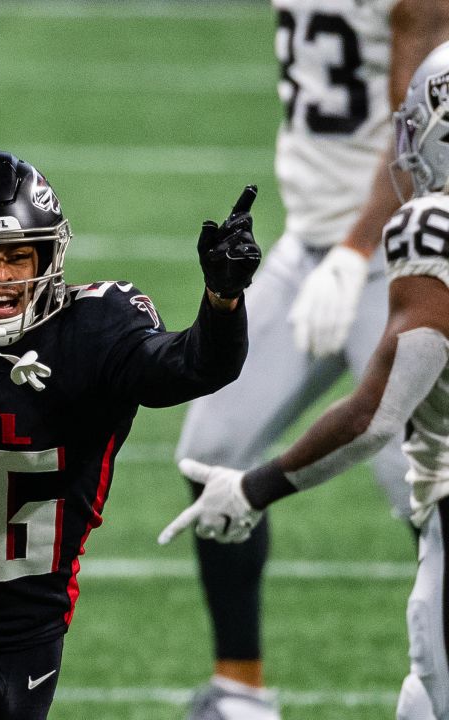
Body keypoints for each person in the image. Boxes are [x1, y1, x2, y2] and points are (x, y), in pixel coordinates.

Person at [0, 150, 260, 719]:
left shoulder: (93, 331)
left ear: (48, 254)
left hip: (31, 630)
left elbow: (193, 365)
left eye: (19, 256)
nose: (2, 277)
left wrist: (222, 300)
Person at [173, 2, 449, 716]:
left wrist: (356, 253)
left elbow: (417, 125)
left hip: (391, 251)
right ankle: (240, 690)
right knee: (211, 451)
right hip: (307, 246)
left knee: (427, 494)